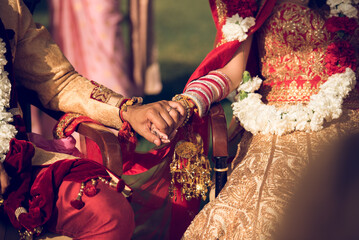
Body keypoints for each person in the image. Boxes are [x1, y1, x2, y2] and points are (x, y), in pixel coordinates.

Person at [159, 0, 358, 239]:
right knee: (262, 215)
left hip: (346, 115)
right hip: (274, 127)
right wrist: (190, 100)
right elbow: (230, 73)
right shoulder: (254, 3)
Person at [0, 0, 185, 239]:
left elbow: (58, 82)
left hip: (18, 163)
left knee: (109, 214)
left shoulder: (9, 8)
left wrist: (126, 111)